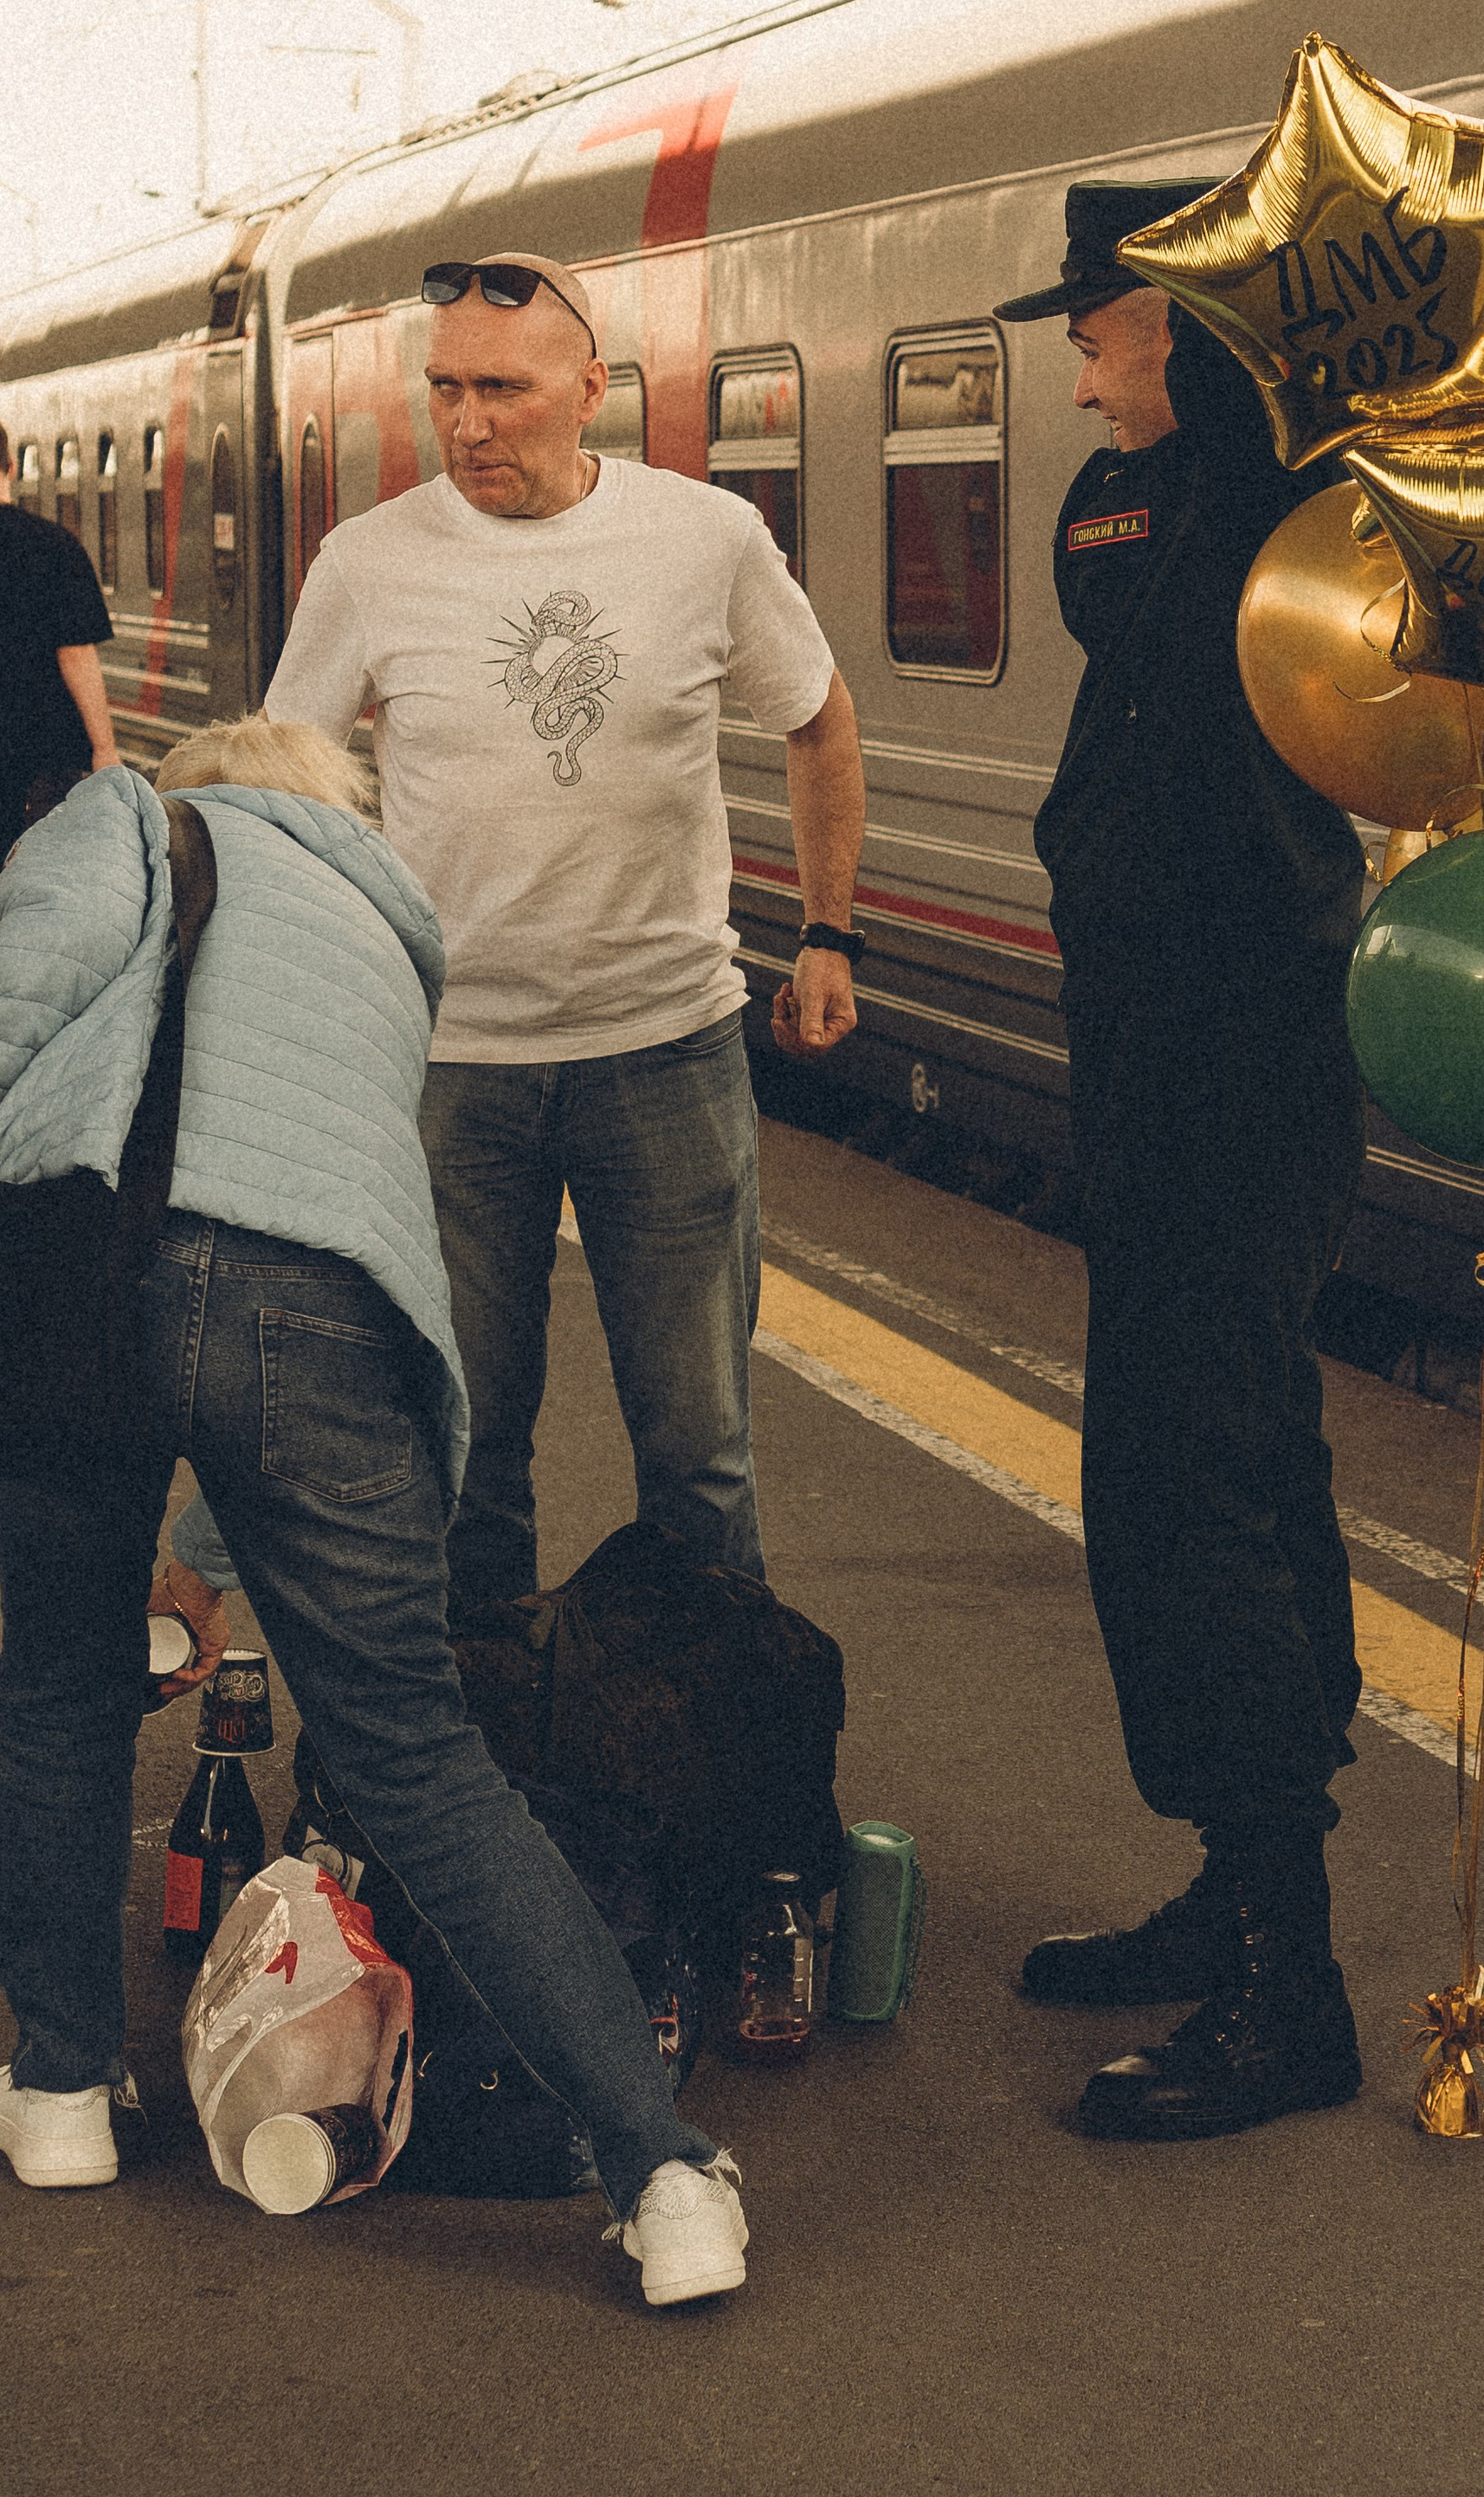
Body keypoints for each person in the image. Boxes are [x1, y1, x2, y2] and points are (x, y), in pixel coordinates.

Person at [0, 725, 746, 2303]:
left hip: (76, 1288)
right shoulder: (384, 921)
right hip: (312, 1317)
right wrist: (207, 1565)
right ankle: (665, 2177)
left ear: (203, 780)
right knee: (417, 1754)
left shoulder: (131, 818)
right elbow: (287, 1213)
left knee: (61, 1703)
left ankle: (61, 2094)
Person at [264, 254, 865, 1610]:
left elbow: (819, 721)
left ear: (591, 393)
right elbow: (285, 783)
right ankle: (484, 1775)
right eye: (444, 391)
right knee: (466, 1456)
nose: (466, 423)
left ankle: (707, 1761)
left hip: (666, 1051)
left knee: (701, 1458)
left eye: (502, 389)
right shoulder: (368, 563)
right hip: (448, 1065)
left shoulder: (706, 539)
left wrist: (830, 930)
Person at [995, 182, 1372, 2141]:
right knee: (1226, 1457)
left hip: (1234, 1057)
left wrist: (1197, 427)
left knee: (1196, 1475)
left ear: (1177, 321)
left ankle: (1280, 1983)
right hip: (1174, 1059)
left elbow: (1139, 573)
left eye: (1098, 324)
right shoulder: (1199, 509)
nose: (1074, 360)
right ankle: (1241, 1889)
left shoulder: (1263, 508)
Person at [0, 418, 122, 848]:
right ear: (11, 467)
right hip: (37, 762)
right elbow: (75, 654)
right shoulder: (54, 547)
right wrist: (104, 749)